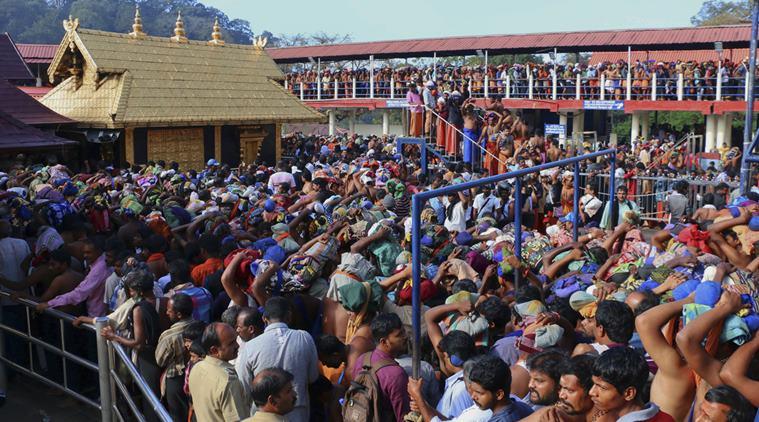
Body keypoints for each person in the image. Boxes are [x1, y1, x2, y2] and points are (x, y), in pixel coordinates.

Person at [236, 296, 319, 421]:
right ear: (289, 317)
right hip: (297, 412)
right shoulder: (304, 338)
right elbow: (312, 376)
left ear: (264, 319)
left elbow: (244, 386)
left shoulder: (250, 346)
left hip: (264, 414)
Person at [590, 347, 675, 421]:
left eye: (602, 387)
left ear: (629, 393)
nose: (592, 392)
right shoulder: (666, 418)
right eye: (594, 384)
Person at [353, 313, 410, 422]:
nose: (405, 337)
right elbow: (403, 416)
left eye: (403, 331)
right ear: (384, 342)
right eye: (399, 335)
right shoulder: (396, 374)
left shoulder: (362, 360)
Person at [188, 322, 249, 422]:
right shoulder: (228, 382)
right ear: (214, 350)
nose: (237, 345)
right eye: (231, 343)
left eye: (236, 340)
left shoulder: (196, 368)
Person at [38, 237, 113, 317]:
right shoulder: (100, 263)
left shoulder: (99, 269)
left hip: (98, 316)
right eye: (84, 252)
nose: (85, 256)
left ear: (98, 251)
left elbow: (79, 294)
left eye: (88, 253)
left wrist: (50, 303)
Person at [155, 293, 194, 422]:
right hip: (195, 376)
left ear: (178, 315)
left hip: (176, 379)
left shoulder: (169, 336)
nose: (166, 312)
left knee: (177, 416)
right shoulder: (200, 326)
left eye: (169, 310)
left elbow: (160, 361)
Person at [467, 355, 533, 421]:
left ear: (499, 394)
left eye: (479, 393)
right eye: (473, 391)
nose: (473, 397)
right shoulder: (523, 407)